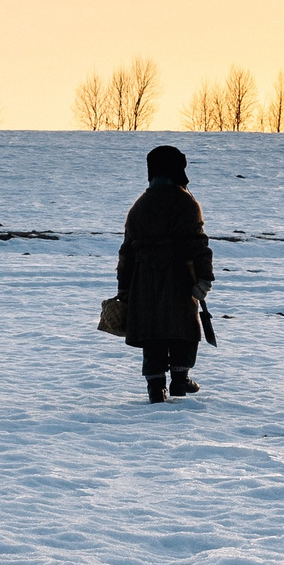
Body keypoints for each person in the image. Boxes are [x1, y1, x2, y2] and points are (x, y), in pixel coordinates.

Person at [118, 143, 213, 403]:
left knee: (153, 333)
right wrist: (204, 277)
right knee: (183, 328)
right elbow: (198, 244)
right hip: (179, 277)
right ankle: (180, 380)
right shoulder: (186, 203)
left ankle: (155, 386)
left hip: (143, 280)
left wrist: (124, 288)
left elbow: (126, 252)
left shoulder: (139, 206)